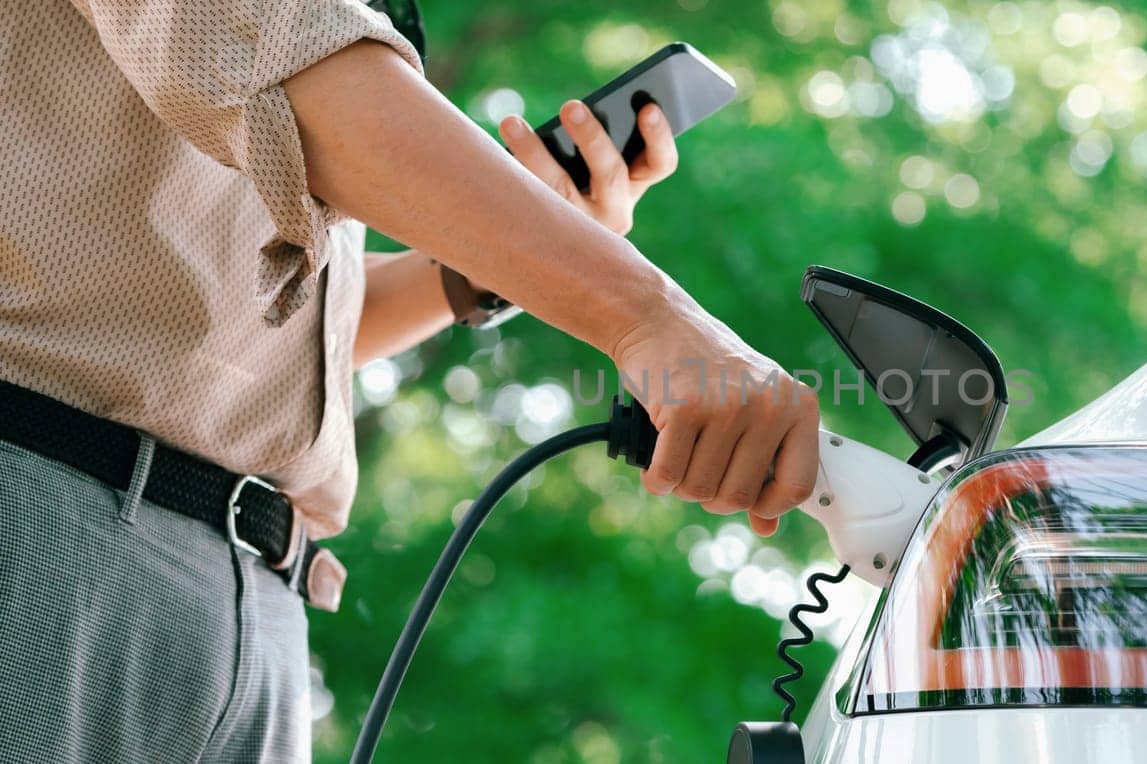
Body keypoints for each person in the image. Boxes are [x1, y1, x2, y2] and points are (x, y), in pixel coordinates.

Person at [0, 2, 819, 761]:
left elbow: (265, 336)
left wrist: (482, 266)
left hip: (252, 599)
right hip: (50, 523)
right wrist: (649, 316)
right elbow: (296, 67)